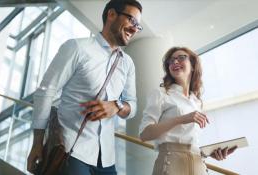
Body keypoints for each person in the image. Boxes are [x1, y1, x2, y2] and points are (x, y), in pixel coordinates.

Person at [27, 0, 143, 174]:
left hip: (107, 160)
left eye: (138, 25)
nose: (135, 29)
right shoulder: (77, 47)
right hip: (71, 151)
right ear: (111, 15)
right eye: (132, 21)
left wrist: (117, 106)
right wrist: (37, 142)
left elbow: (132, 105)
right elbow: (45, 92)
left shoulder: (128, 64)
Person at [139, 47, 237, 175]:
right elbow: (144, 135)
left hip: (198, 165)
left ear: (193, 65)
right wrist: (182, 119)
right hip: (171, 164)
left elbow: (190, 142)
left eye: (181, 57)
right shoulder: (161, 93)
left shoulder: (196, 101)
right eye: (171, 60)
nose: (174, 62)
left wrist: (209, 153)